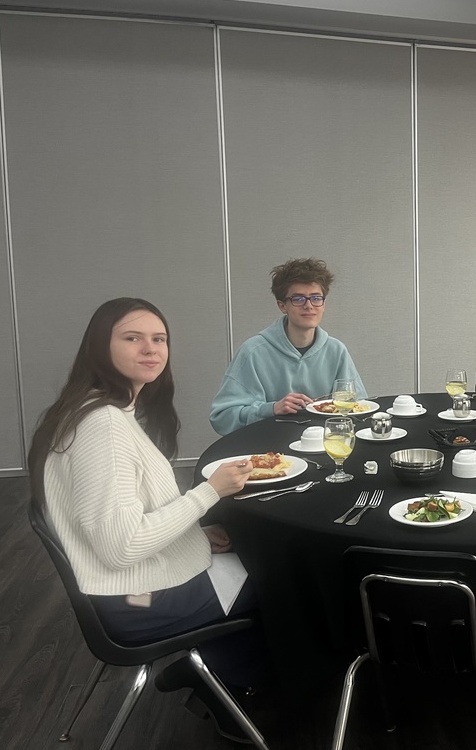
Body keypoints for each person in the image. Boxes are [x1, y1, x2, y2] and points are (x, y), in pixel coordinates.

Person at [28, 297, 264, 743]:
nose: (150, 349)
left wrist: (191, 534)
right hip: (136, 602)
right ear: (101, 346)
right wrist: (209, 494)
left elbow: (118, 519)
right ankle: (227, 688)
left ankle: (213, 673)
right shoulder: (104, 427)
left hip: (127, 587)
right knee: (283, 579)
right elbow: (121, 546)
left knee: (244, 556)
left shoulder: (93, 409)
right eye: (132, 338)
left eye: (159, 339)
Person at [210, 257, 366, 435]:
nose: (309, 306)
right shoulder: (253, 352)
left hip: (324, 449)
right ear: (282, 305)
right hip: (269, 453)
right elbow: (221, 418)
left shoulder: (337, 351)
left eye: (316, 298)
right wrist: (272, 409)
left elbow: (360, 408)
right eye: (298, 299)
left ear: (323, 304)